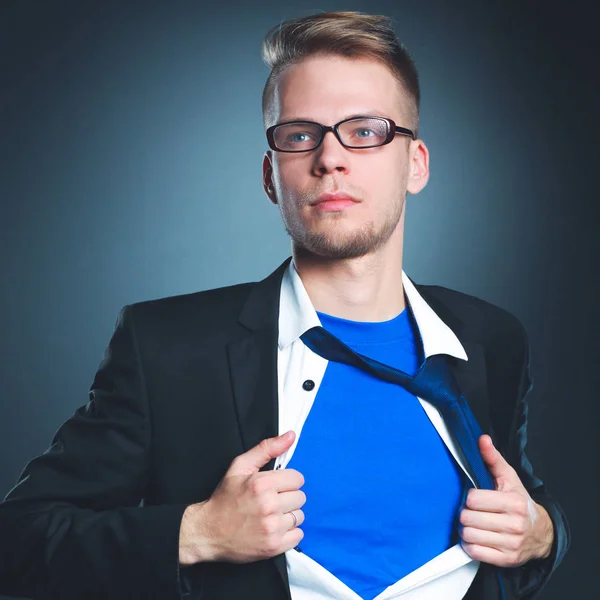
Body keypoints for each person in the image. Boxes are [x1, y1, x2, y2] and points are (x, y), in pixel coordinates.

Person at [0, 10, 569, 600]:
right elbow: (18, 539)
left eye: (366, 130)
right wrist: (195, 534)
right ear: (272, 175)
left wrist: (543, 534)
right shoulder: (166, 347)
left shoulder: (492, 339)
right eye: (301, 135)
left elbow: (523, 513)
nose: (331, 158)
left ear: (416, 164)